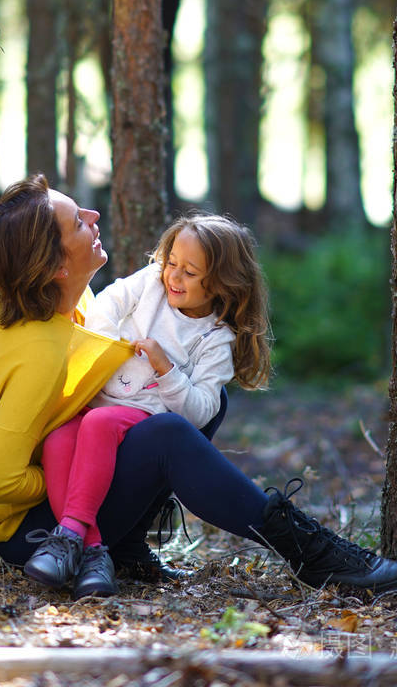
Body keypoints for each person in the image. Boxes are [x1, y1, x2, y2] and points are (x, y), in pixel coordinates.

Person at [0, 174, 397, 602]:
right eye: (77, 222)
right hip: (20, 536)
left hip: (61, 498)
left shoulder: (47, 301)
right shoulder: (40, 352)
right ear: (53, 265)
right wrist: (70, 473)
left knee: (202, 400)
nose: (93, 217)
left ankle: (128, 546)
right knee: (170, 433)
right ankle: (312, 553)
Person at [30, 213, 272, 595]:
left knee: (99, 424)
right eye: (172, 262)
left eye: (190, 273)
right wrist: (108, 349)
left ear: (223, 283)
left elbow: (200, 411)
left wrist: (165, 368)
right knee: (59, 439)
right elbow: (108, 303)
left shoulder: (216, 339)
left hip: (143, 418)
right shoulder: (152, 283)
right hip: (98, 400)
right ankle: (91, 552)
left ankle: (70, 532)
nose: (174, 277)